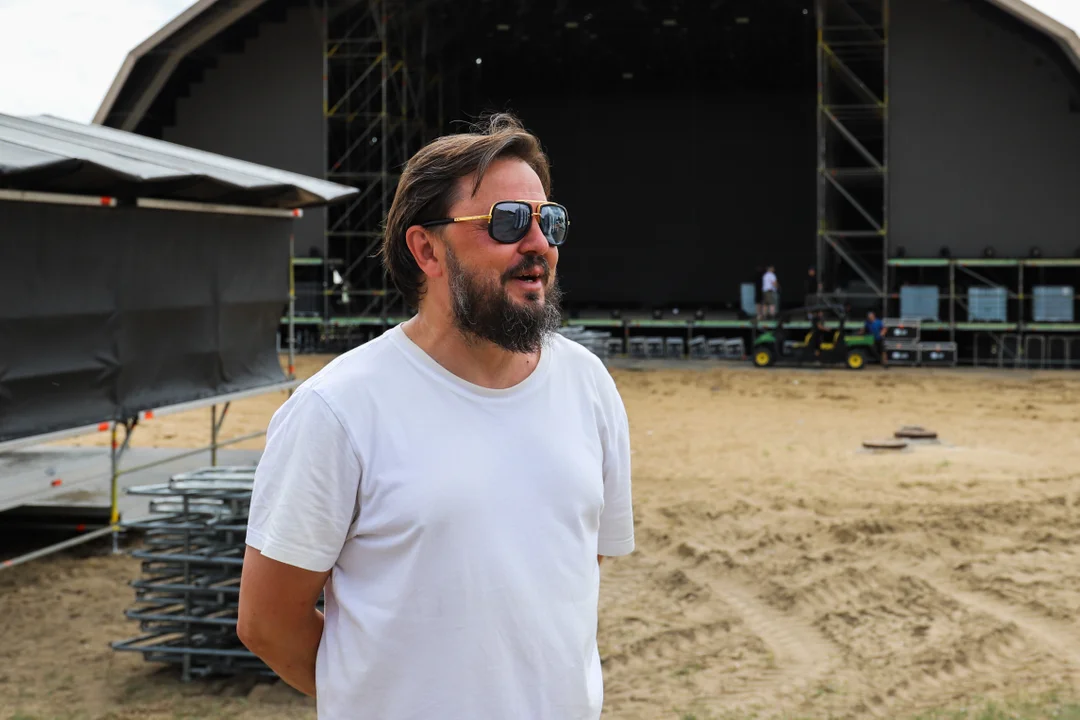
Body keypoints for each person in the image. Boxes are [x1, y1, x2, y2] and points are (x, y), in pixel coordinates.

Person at [236, 113, 635, 720]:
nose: (538, 243)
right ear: (426, 249)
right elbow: (268, 622)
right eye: (507, 221)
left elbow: (575, 572)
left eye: (549, 220)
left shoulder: (588, 385)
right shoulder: (338, 410)